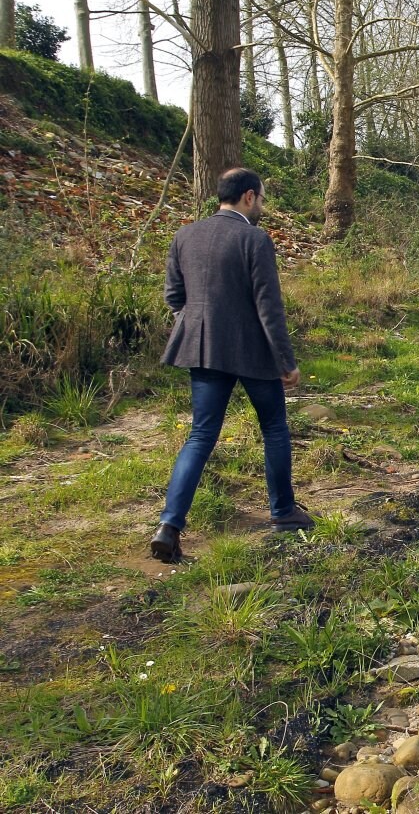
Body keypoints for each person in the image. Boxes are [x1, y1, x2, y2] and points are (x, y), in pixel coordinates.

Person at [150, 168, 313, 563]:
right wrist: (286, 362)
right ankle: (283, 512)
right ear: (248, 197)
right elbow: (268, 308)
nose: (262, 205)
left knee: (200, 435)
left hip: (203, 350)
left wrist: (202, 325)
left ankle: (169, 527)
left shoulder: (184, 236)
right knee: (274, 427)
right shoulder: (255, 239)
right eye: (261, 198)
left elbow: (175, 297)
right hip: (253, 352)